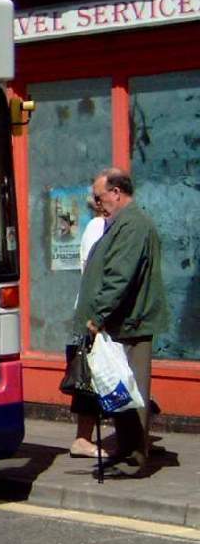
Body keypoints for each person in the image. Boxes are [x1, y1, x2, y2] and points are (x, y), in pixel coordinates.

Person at [72, 167, 170, 474]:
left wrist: (97, 315)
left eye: (99, 197)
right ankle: (128, 451)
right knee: (121, 390)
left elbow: (119, 277)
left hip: (130, 323)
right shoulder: (122, 223)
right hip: (121, 323)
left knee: (132, 391)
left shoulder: (132, 225)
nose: (96, 203)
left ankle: (134, 458)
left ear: (116, 192)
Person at [68, 199, 108, 458]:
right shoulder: (97, 226)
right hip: (92, 314)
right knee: (89, 377)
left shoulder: (105, 226)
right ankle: (82, 439)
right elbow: (95, 271)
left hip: (98, 312)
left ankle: (136, 438)